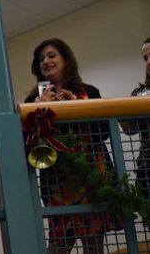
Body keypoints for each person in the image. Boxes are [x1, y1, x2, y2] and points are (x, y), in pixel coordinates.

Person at [24, 38, 119, 254]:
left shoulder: (90, 91)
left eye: (51, 55)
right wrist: (39, 109)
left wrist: (78, 106)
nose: (45, 61)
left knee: (94, 247)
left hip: (92, 179)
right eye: (41, 59)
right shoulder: (32, 99)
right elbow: (28, 139)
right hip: (57, 182)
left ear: (66, 59)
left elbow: (104, 131)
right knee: (57, 247)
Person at [121, 37, 150, 198]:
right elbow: (128, 130)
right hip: (147, 165)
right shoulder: (139, 93)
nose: (148, 62)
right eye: (145, 58)